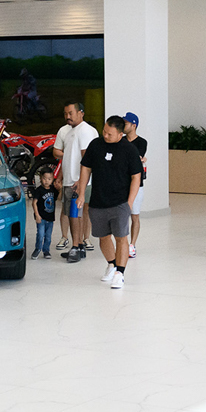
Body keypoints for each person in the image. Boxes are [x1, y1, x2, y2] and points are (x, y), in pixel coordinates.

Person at [77, 114, 143, 289]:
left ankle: (120, 273)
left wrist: (129, 202)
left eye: (110, 134)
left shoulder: (129, 150)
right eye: (104, 131)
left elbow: (136, 177)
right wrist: (82, 193)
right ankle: (112, 264)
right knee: (102, 237)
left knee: (121, 237)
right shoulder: (96, 145)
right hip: (98, 201)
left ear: (120, 134)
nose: (105, 136)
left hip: (120, 201)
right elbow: (86, 168)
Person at [52, 102, 98, 260]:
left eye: (71, 113)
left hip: (78, 182)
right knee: (71, 215)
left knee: (76, 214)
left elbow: (87, 158)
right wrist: (61, 177)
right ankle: (76, 245)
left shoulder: (85, 130)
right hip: (69, 180)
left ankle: (77, 247)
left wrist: (81, 181)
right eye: (65, 114)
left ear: (81, 113)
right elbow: (67, 158)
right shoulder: (68, 131)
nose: (68, 117)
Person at [122, 112, 149, 258]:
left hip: (137, 184)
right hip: (122, 183)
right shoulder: (121, 140)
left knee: (135, 216)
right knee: (122, 215)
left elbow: (135, 158)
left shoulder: (141, 142)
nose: (123, 125)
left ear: (134, 125)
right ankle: (123, 243)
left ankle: (132, 244)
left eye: (126, 123)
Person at [30, 166, 58, 259]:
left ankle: (46, 251)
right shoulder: (39, 190)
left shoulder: (53, 189)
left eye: (49, 179)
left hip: (50, 218)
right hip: (41, 217)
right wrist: (37, 215)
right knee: (40, 235)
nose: (47, 181)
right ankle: (37, 249)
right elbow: (34, 203)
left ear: (52, 179)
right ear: (41, 178)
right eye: (44, 178)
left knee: (48, 236)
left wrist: (60, 188)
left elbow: (58, 198)